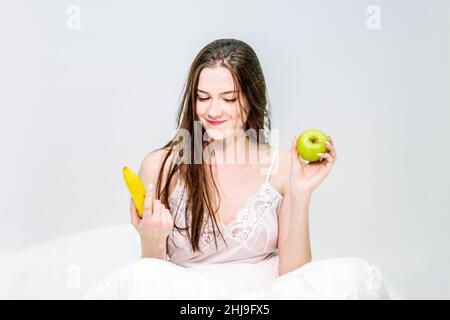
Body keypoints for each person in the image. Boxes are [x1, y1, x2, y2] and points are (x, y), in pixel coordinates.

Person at [85, 38, 391, 300]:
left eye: (228, 99)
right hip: (189, 300)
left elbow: (297, 280)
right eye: (202, 98)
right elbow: (152, 280)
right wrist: (151, 237)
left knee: (350, 274)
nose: (213, 111)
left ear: (252, 100)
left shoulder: (283, 164)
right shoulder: (160, 166)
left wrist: (300, 193)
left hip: (263, 297)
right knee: (138, 279)